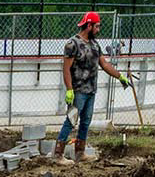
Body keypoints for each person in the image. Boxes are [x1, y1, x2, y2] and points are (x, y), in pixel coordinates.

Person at [55, 11, 132, 164]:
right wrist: (69, 89)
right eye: (96, 26)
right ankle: (58, 155)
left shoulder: (95, 45)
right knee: (71, 120)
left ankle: (80, 153)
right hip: (78, 91)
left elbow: (104, 64)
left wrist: (120, 76)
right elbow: (66, 69)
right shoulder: (73, 44)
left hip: (91, 91)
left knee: (85, 122)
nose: (98, 29)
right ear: (88, 26)